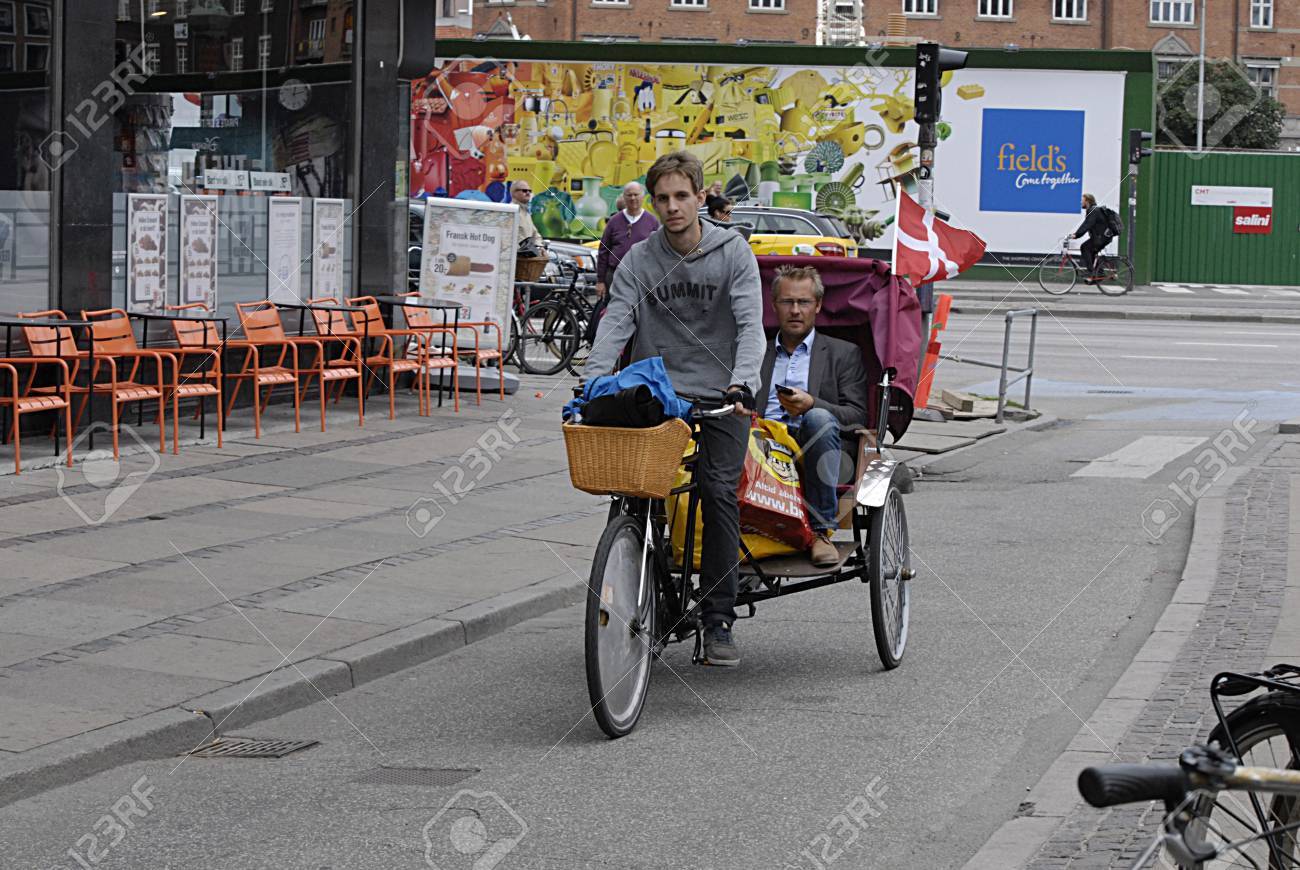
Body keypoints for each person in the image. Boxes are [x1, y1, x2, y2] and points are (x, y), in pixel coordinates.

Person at [585, 151, 765, 668]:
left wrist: (742, 383)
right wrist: (593, 379)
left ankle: (718, 618)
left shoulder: (733, 253)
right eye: (662, 198)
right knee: (636, 487)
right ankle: (644, 579)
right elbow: (616, 320)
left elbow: (751, 325)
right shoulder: (639, 259)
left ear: (700, 196)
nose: (672, 207)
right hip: (659, 391)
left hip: (722, 393)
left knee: (716, 489)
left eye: (682, 196)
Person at [759, 265, 868, 568]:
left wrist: (811, 404)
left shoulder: (843, 353)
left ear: (818, 305)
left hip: (818, 445)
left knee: (818, 418)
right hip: (763, 442)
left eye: (804, 302)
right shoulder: (756, 353)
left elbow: (857, 415)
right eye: (787, 302)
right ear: (774, 305)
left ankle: (821, 531)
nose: (795, 310)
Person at [594, 182, 658, 300]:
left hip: (642, 278)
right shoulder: (614, 221)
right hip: (614, 276)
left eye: (636, 194)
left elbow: (658, 253)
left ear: (643, 196)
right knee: (614, 308)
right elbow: (603, 251)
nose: (633, 198)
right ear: (624, 197)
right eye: (629, 195)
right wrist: (600, 281)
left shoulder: (652, 221)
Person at [1072, 193, 1115, 284]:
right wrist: (1077, 234)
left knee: (1085, 247)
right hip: (1101, 237)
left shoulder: (1093, 211)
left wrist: (1076, 235)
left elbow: (1087, 225)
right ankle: (1098, 274)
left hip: (1102, 238)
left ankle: (1091, 273)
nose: (1080, 202)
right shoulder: (1092, 210)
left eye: (1082, 200)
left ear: (1087, 201)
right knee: (1091, 251)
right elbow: (1087, 224)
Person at [511, 181, 543, 248]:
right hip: (516, 253)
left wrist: (540, 247)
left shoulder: (526, 213)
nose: (528, 193)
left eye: (530, 191)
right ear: (514, 193)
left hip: (527, 252)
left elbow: (535, 234)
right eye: (524, 190)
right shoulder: (510, 212)